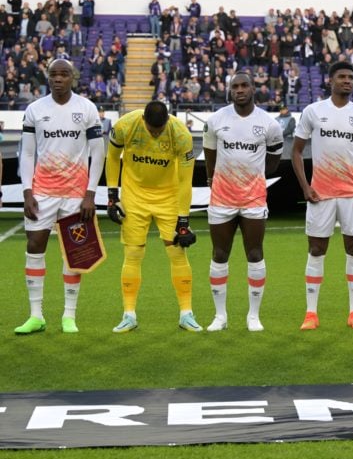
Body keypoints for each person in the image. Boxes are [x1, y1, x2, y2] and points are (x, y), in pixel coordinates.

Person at [15, 59, 104, 335]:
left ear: (72, 78)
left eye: (64, 74)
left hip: (76, 195)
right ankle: (36, 315)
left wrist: (90, 193)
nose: (58, 79)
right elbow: (27, 152)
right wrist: (27, 191)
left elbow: (98, 152)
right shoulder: (35, 109)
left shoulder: (86, 108)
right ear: (47, 78)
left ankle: (69, 316)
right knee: (35, 245)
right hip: (42, 191)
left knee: (75, 252)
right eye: (53, 74)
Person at [292, 61, 353, 331]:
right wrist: (306, 187)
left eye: (351, 77)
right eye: (341, 77)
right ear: (330, 81)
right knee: (317, 249)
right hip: (321, 194)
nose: (347, 81)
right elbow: (296, 152)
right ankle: (310, 313)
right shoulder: (313, 111)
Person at [106, 101, 199, 333]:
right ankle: (129, 314)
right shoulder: (124, 126)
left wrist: (184, 221)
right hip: (134, 196)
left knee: (177, 252)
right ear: (143, 121)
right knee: (133, 253)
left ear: (168, 120)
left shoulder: (181, 134)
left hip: (168, 197)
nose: (156, 133)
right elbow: (112, 156)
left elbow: (186, 179)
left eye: (160, 130)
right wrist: (111, 196)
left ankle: (186, 313)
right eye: (151, 129)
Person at [202, 73, 284, 332]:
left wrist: (253, 178)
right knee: (219, 254)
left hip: (253, 198)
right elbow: (210, 157)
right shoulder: (216, 121)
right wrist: (215, 181)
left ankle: (253, 316)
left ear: (253, 89)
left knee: (255, 253)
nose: (239, 90)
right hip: (222, 198)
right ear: (229, 90)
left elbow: (273, 161)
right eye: (235, 86)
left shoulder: (269, 124)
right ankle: (220, 316)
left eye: (244, 85)